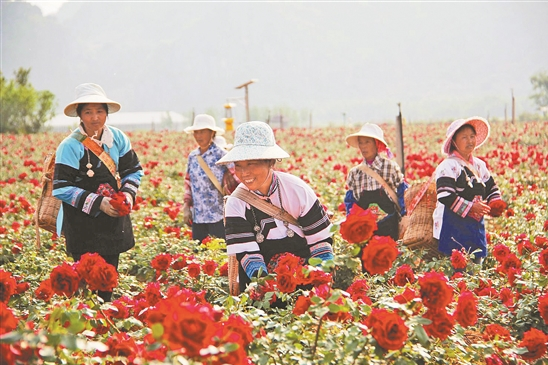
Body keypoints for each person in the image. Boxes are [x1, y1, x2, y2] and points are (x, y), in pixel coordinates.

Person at [217, 121, 334, 293]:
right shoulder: (236, 203)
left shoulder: (297, 190)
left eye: (251, 164)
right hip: (261, 281)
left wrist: (321, 281)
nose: (244, 173)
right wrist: (267, 289)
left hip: (306, 273)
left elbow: (320, 242)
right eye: (239, 166)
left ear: (270, 161)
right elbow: (248, 255)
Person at [52, 83, 143, 302]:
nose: (95, 117)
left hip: (112, 223)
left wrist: (128, 195)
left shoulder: (118, 138)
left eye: (100, 111)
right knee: (83, 284)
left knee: (107, 280)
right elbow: (61, 187)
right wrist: (99, 203)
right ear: (80, 116)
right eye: (88, 112)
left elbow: (133, 170)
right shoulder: (70, 146)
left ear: (107, 113)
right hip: (82, 224)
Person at [433, 117, 505, 264]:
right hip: (453, 225)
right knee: (457, 264)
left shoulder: (479, 165)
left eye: (472, 136)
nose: (470, 141)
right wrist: (472, 207)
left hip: (475, 224)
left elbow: (491, 187)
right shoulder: (447, 166)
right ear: (454, 142)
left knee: (476, 260)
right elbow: (445, 195)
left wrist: (495, 202)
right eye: (464, 137)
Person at [344, 123, 407, 241]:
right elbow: (350, 202)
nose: (363, 147)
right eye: (361, 143)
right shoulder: (355, 173)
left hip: (389, 228)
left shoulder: (390, 167)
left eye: (367, 142)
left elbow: (403, 193)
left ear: (377, 144)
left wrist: (404, 216)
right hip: (365, 231)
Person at [182, 114, 236, 242]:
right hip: (198, 217)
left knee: (220, 253)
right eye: (196, 132)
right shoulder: (193, 156)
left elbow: (237, 180)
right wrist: (186, 206)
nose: (198, 136)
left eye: (202, 132)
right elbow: (188, 183)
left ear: (212, 133)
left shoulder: (222, 155)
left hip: (218, 216)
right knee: (199, 253)